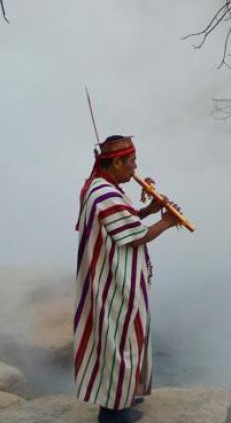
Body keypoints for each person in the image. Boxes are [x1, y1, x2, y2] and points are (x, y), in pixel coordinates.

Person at [73, 135, 183, 423]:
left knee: (126, 337)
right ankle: (112, 411)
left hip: (117, 277)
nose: (135, 167)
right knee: (119, 341)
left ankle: (123, 396)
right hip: (114, 282)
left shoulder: (102, 187)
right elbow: (135, 236)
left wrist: (149, 210)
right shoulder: (105, 194)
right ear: (117, 162)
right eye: (131, 161)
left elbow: (126, 220)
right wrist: (167, 221)